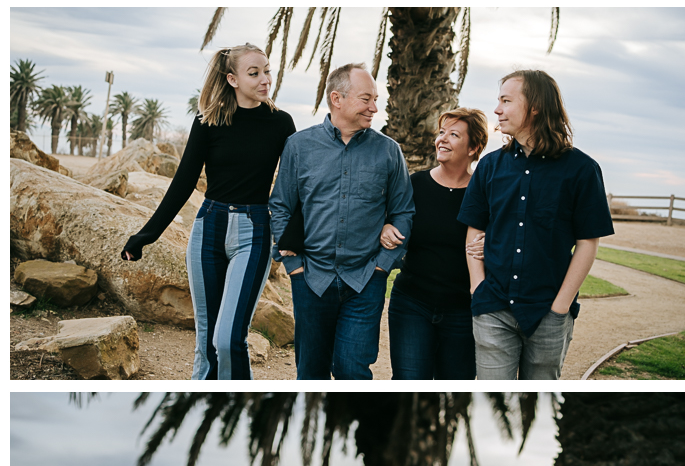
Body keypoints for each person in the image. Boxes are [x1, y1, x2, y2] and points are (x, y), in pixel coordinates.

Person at [121, 45, 296, 381]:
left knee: (229, 339)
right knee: (207, 341)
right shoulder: (208, 121)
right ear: (232, 78)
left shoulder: (281, 123)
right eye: (254, 73)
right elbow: (183, 182)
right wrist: (146, 235)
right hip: (208, 228)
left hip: (255, 230)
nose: (265, 80)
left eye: (267, 71)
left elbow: (298, 183)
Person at [457, 70, 615, 379]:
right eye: (497, 101)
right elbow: (474, 229)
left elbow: (588, 242)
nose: (497, 110)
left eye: (506, 100)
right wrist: (478, 289)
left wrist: (560, 308)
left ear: (535, 107)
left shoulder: (582, 170)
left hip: (549, 312)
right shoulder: (490, 166)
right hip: (493, 307)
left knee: (538, 402)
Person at [269, 63, 414, 380]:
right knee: (310, 373)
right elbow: (280, 205)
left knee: (353, 371)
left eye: (375, 99)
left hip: (365, 280)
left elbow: (403, 211)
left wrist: (383, 265)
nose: (374, 107)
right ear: (337, 98)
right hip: (311, 280)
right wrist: (293, 266)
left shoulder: (390, 152)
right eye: (366, 99)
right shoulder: (298, 146)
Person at [387, 108, 488, 380]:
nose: (441, 139)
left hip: (462, 311)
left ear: (474, 147)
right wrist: (387, 226)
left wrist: (493, 240)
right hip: (412, 304)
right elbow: (392, 218)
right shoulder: (416, 184)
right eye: (441, 132)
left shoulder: (483, 193)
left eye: (453, 135)